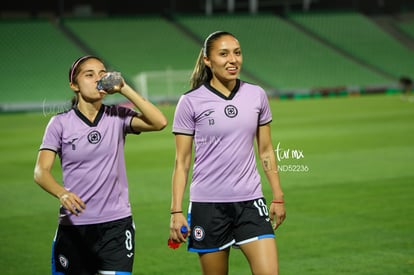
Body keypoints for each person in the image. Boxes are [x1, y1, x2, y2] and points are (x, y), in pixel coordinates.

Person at [34, 55, 168, 275]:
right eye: (89, 74)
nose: (98, 78)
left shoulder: (118, 116)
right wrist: (62, 193)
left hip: (116, 226)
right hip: (75, 227)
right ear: (74, 85)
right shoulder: (59, 124)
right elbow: (41, 171)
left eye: (102, 73)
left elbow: (159, 122)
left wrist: (125, 89)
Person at [169, 31, 286, 274]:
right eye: (223, 54)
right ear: (207, 60)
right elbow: (182, 162)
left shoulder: (257, 95)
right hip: (208, 206)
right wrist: (176, 211)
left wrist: (277, 195)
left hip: (250, 202)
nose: (233, 60)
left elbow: (265, 150)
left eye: (237, 52)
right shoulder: (190, 102)